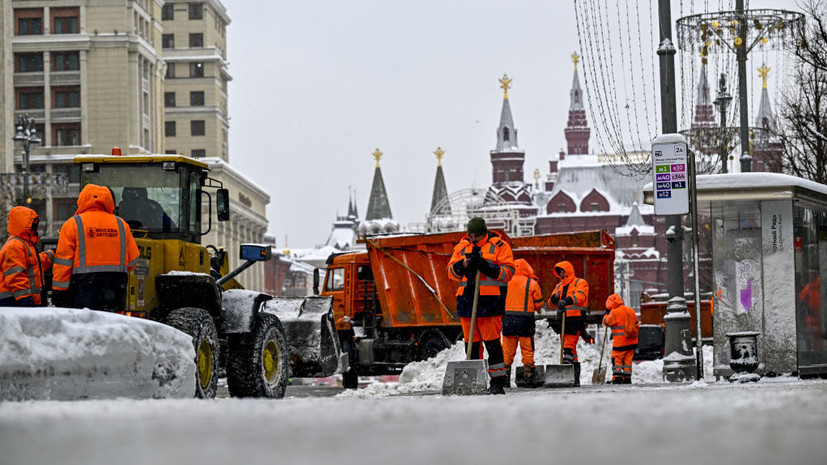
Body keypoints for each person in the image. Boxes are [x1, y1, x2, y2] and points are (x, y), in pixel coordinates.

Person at [447, 217, 515, 395]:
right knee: (471, 344)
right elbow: (450, 272)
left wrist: (486, 266)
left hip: (490, 304)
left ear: (484, 233)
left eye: (477, 236)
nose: (474, 239)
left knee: (492, 344)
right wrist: (463, 265)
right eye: (471, 235)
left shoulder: (500, 246)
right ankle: (474, 380)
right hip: (467, 302)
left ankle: (497, 382)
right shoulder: (462, 247)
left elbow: (508, 272)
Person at [52, 183, 140, 312]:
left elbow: (63, 265)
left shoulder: (73, 224)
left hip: (83, 291)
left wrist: (59, 293)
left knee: (87, 328)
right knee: (114, 328)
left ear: (83, 199)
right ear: (109, 201)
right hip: (115, 291)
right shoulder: (121, 225)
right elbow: (133, 262)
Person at [548, 260, 592, 386]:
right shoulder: (558, 286)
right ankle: (574, 379)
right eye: (559, 272)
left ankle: (566, 374)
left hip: (576, 320)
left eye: (563, 271)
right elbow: (551, 304)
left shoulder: (580, 283)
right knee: (570, 351)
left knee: (568, 347)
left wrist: (567, 300)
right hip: (563, 322)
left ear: (568, 271)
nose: (561, 274)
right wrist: (554, 298)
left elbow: (581, 296)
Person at [0, 207, 54, 307]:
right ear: (23, 224)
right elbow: (16, 277)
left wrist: (52, 254)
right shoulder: (14, 246)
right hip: (14, 302)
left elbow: (36, 265)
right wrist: (26, 302)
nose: (35, 226)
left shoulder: (23, 244)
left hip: (19, 301)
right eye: (32, 222)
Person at [502, 258, 544, 387]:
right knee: (527, 350)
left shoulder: (505, 282)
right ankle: (528, 378)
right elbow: (538, 304)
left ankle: (504, 379)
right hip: (525, 320)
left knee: (507, 351)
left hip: (508, 319)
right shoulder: (531, 283)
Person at [602, 293, 639, 384]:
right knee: (628, 360)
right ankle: (627, 378)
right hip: (632, 341)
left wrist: (606, 314)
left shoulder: (614, 312)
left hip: (620, 343)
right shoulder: (630, 310)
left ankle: (617, 378)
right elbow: (637, 324)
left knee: (617, 359)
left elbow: (606, 322)